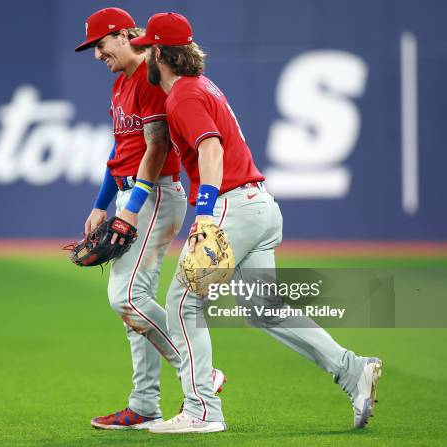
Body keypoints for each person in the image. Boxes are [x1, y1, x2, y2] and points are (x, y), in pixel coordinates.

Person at [129, 12, 382, 434]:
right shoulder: (201, 86)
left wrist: (206, 212)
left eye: (145, 49)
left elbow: (211, 149)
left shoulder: (183, 96)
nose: (144, 58)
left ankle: (201, 410)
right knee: (264, 309)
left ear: (158, 52)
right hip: (259, 205)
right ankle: (352, 369)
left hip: (232, 206)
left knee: (182, 302)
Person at [74, 7, 225, 430]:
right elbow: (120, 149)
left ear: (123, 36)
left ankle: (200, 374)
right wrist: (101, 204)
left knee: (125, 298)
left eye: (100, 45)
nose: (96, 54)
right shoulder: (121, 83)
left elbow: (157, 148)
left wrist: (132, 207)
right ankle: (144, 403)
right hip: (129, 193)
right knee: (132, 306)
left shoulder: (148, 77)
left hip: (155, 194)